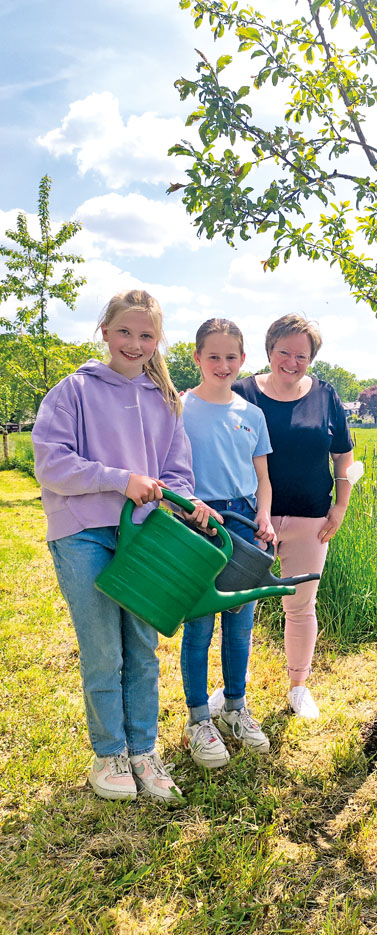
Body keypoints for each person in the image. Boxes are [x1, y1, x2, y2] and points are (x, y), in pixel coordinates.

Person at [32, 289, 218, 803]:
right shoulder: (73, 391)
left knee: (141, 647)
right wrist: (120, 478)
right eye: (125, 332)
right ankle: (109, 752)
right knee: (102, 649)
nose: (135, 344)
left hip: (144, 538)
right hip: (82, 531)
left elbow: (176, 472)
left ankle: (143, 750)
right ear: (105, 331)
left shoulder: (165, 401)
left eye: (146, 335)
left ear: (158, 341)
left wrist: (190, 504)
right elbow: (50, 463)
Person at [235, 313, 355, 718]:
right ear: (269, 350)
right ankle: (234, 689)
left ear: (311, 359)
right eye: (283, 351)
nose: (291, 361)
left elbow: (345, 456)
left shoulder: (326, 395)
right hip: (247, 518)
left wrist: (341, 505)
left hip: (310, 519)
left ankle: (298, 687)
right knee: (237, 605)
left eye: (301, 355)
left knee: (301, 607)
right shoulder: (241, 393)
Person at [180, 318, 275, 768]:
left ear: (243, 360)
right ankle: (198, 718)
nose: (222, 364)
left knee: (240, 623)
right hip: (197, 521)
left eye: (231, 357)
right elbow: (169, 469)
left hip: (242, 520)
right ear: (196, 357)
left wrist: (263, 515)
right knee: (199, 623)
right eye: (213, 356)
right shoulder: (178, 407)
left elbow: (262, 478)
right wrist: (189, 506)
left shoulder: (251, 414)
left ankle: (236, 707)